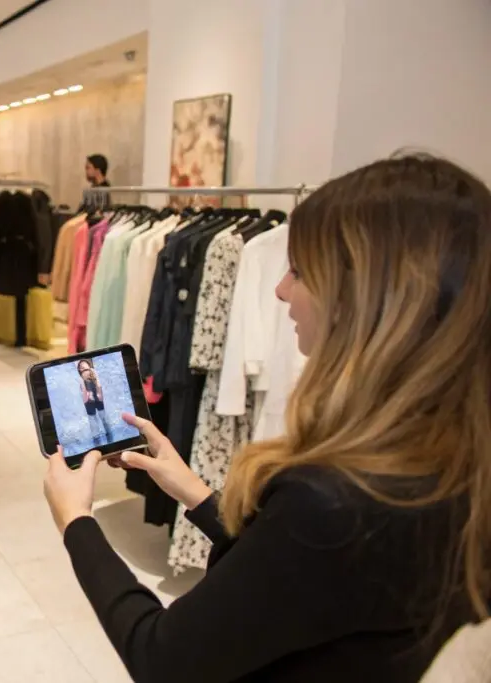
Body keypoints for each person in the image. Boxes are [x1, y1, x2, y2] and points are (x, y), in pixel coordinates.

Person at [42, 154, 491, 682]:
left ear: (365, 299)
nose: (280, 291)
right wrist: (195, 493)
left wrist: (77, 522)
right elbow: (294, 579)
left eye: (300, 271)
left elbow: (160, 657)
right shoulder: (445, 462)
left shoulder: (337, 498)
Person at [77, 359, 111, 445]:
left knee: (102, 417)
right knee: (94, 419)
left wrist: (100, 394)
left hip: (95, 396)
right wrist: (85, 400)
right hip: (89, 399)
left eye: (84, 365)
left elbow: (98, 383)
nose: (82, 367)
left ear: (89, 366)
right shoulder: (81, 377)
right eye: (81, 367)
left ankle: (107, 433)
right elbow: (83, 389)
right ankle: (99, 437)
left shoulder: (92, 372)